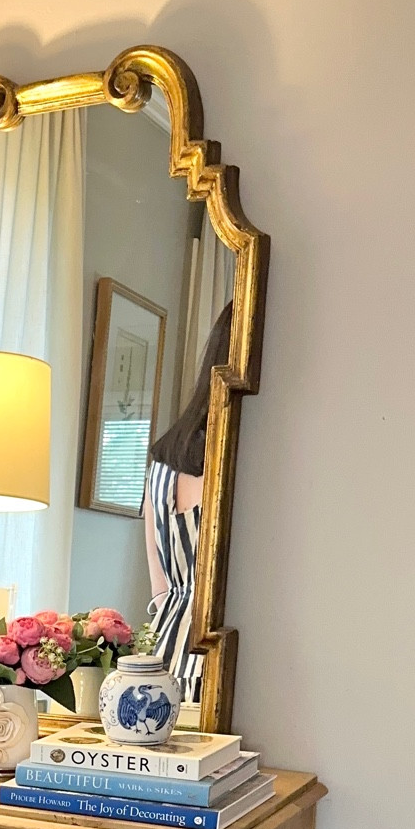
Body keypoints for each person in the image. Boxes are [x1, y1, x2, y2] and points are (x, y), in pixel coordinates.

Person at [143, 301, 233, 703]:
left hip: (162, 651)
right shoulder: (235, 457)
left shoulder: (163, 461)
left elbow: (160, 588)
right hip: (216, 657)